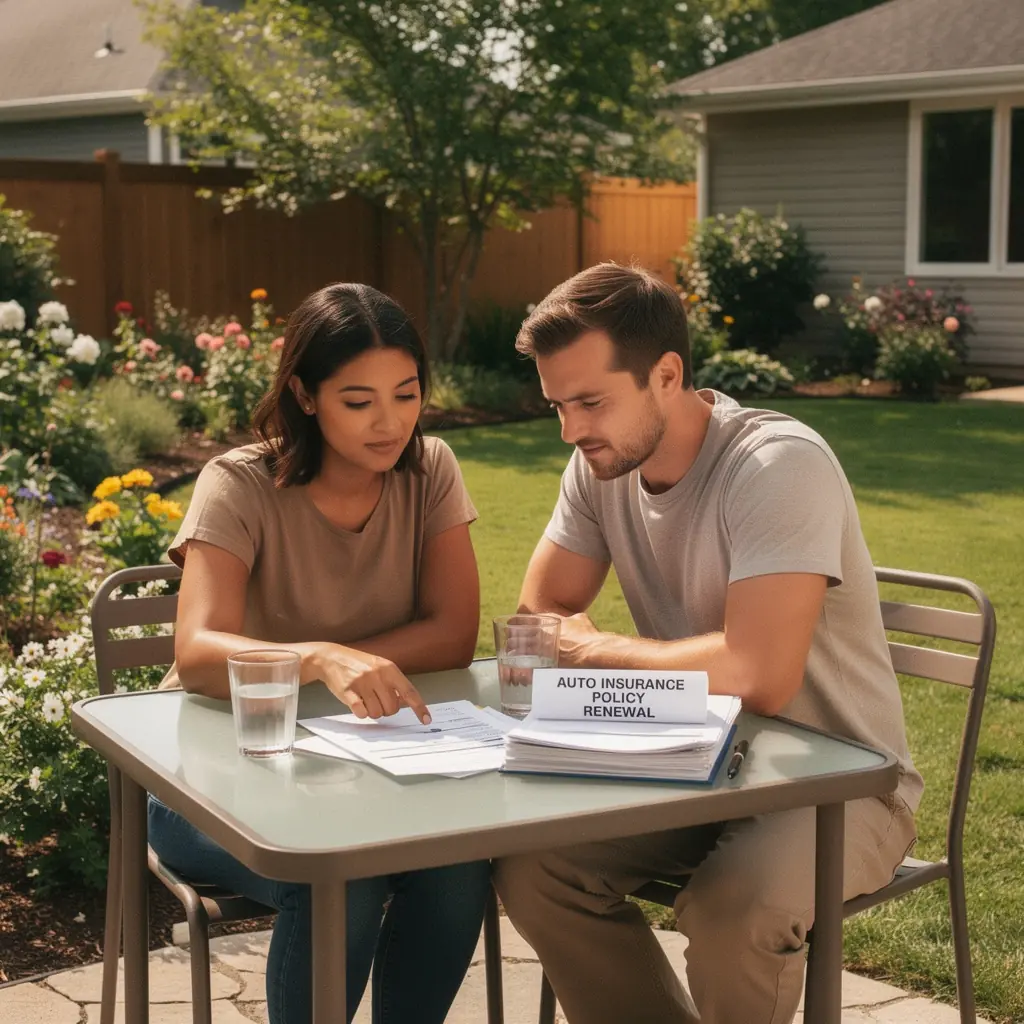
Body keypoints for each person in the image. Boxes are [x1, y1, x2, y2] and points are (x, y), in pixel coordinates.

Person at [493, 262, 922, 1024]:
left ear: (666, 375)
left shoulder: (776, 466)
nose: (570, 429)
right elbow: (540, 613)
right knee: (534, 868)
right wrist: (609, 647)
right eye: (558, 405)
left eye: (590, 401)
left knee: (734, 910)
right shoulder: (599, 464)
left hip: (841, 785)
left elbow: (758, 676)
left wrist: (595, 651)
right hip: (699, 761)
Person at [148, 283, 491, 1024]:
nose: (391, 422)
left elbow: (454, 630)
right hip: (209, 781)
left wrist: (342, 663)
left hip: (362, 770)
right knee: (343, 878)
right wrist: (319, 657)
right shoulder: (236, 483)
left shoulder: (430, 469)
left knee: (459, 865)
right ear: (305, 395)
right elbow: (200, 653)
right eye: (359, 400)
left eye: (406, 394)